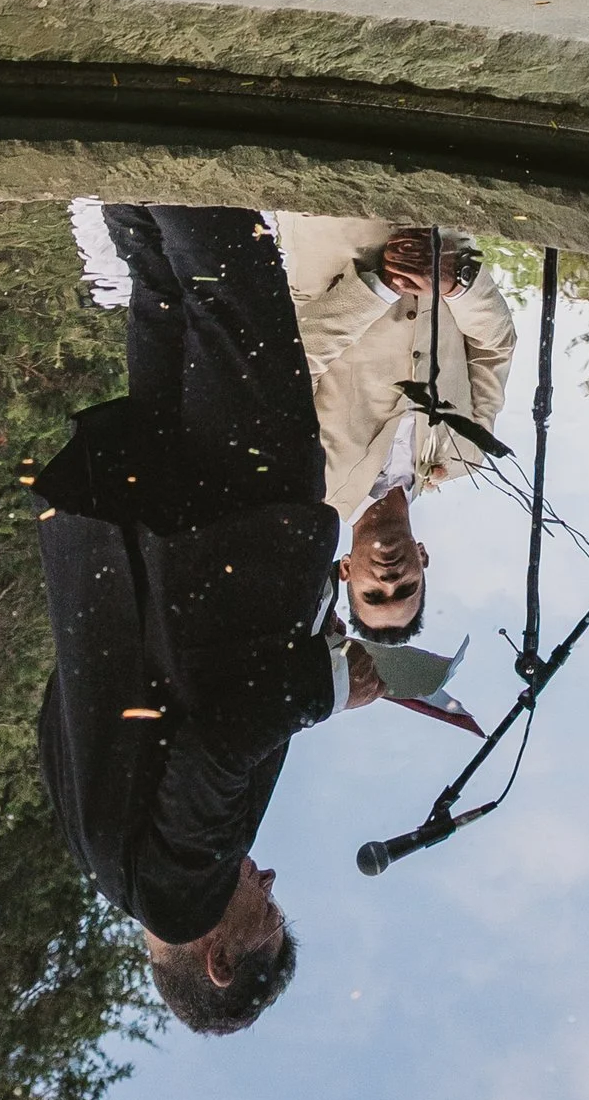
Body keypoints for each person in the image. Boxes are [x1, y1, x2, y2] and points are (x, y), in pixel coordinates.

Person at [32, 204, 378, 1035]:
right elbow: (63, 701)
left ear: (218, 959)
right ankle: (128, 154)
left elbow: (220, 743)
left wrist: (329, 688)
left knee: (232, 293)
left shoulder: (184, 895)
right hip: (148, 540)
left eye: (269, 912)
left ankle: (178, 133)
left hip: (233, 534)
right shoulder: (96, 856)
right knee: (164, 289)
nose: (265, 882)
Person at [277, 215, 520, 519]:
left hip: (337, 226)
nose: (386, 569)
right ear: (423, 557)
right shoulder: (466, 455)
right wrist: (457, 282)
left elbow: (287, 373)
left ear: (346, 567)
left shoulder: (310, 484)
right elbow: (494, 348)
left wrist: (382, 286)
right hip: (442, 223)